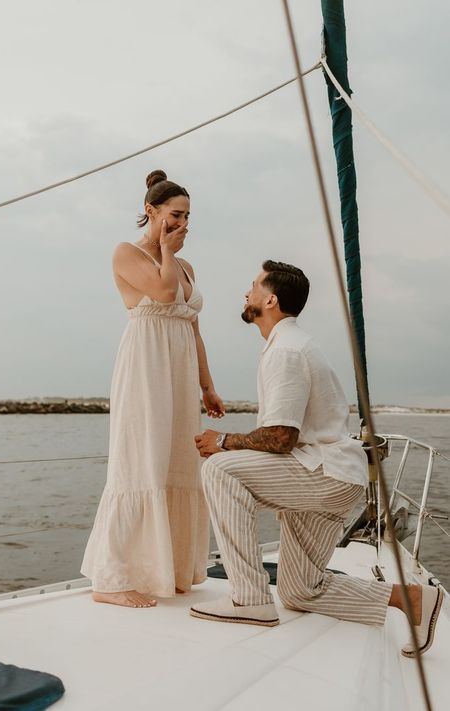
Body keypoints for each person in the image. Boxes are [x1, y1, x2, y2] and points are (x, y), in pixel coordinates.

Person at [191, 260, 442, 658]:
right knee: (299, 590)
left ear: (270, 299)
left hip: (323, 475)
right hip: (336, 476)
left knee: (220, 469)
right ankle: (413, 599)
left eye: (253, 286)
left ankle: (249, 599)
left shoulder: (287, 351)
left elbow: (281, 437)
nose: (247, 292)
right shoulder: (289, 344)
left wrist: (222, 440)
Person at [81, 170, 224, 608]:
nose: (182, 224)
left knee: (178, 459)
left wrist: (207, 385)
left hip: (179, 366)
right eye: (175, 215)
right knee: (139, 458)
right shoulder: (127, 252)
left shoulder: (185, 265)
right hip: (146, 363)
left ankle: (170, 568)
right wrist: (164, 246)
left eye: (187, 216)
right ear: (151, 211)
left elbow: (194, 327)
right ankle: (111, 578)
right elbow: (162, 295)